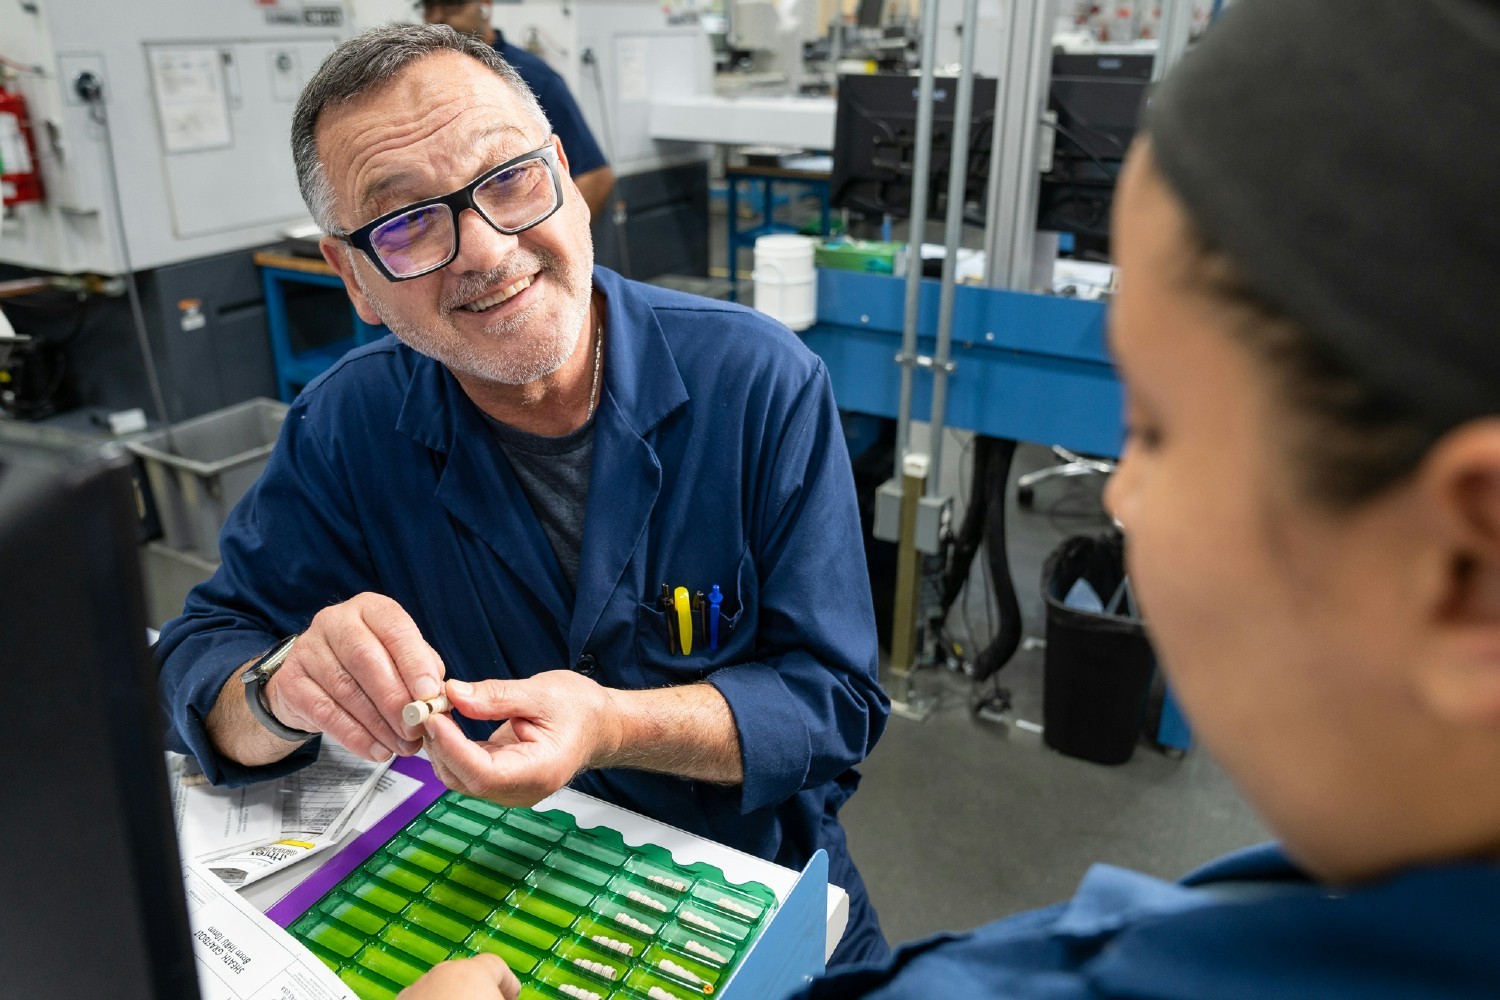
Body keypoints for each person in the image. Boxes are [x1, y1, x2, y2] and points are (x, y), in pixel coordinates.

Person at [400, 0, 1500, 996]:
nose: (1121, 491)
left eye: (1159, 425)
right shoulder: (1332, 894)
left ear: (1465, 569)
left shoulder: (754, 380)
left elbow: (833, 700)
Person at [153, 23, 891, 967]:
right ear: (355, 280)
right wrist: (278, 690)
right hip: (493, 892)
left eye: (508, 178)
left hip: (748, 885)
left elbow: (832, 700)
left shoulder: (758, 383)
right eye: (406, 221)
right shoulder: (346, 427)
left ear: (572, 185)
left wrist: (612, 724)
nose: (484, 247)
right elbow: (201, 655)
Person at [417, 0, 615, 220]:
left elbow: (595, 177)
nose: (435, 18)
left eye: (450, 6)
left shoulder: (533, 79)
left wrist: (546, 244)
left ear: (485, 5)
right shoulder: (420, 79)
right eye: (427, 7)